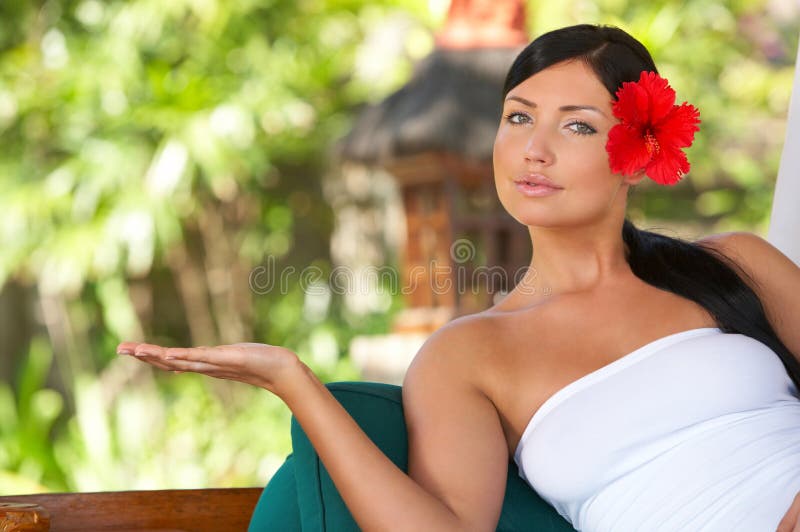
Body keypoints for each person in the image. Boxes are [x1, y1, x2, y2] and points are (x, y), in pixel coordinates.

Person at [117, 24, 800, 531]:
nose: (535, 149)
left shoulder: (734, 267)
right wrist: (294, 383)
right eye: (519, 118)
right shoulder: (470, 354)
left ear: (635, 154)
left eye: (579, 127)